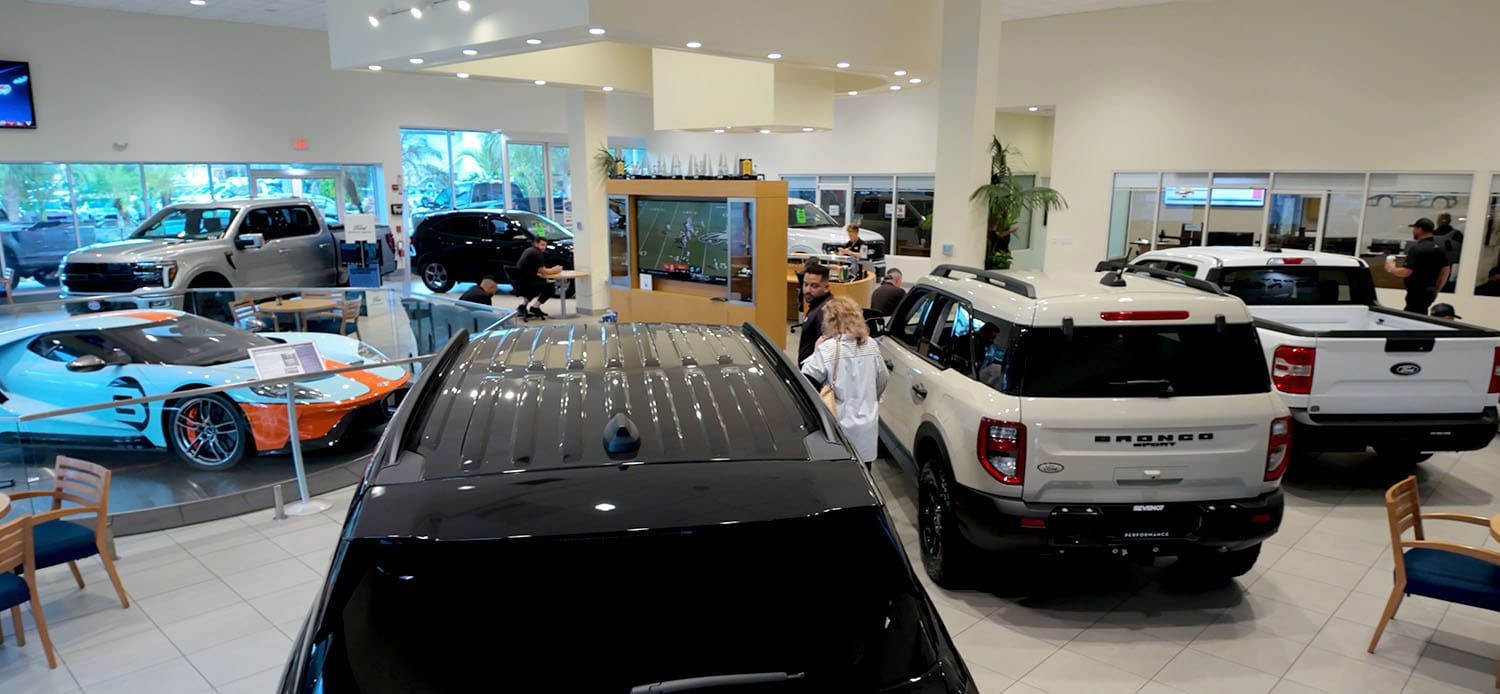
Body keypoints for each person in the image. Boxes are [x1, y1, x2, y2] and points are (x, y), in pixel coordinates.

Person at [800, 296, 889, 465]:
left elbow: (806, 382)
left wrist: (815, 350)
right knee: (864, 475)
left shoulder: (828, 349)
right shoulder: (871, 345)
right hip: (867, 427)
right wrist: (870, 399)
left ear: (830, 320)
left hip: (838, 427)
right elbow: (883, 378)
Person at [1386, 217, 1450, 314]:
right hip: (1430, 292)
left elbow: (1406, 272)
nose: (1413, 231)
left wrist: (1392, 268)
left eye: (1414, 228)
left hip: (1417, 292)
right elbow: (1445, 271)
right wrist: (1436, 289)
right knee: (1421, 314)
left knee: (1411, 318)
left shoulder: (1417, 249)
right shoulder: (1439, 249)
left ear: (1419, 229)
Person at [517, 236, 563, 318]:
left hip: (522, 281)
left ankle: (523, 306)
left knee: (540, 283)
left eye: (545, 245)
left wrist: (547, 271)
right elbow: (544, 272)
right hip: (527, 283)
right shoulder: (537, 253)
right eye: (542, 245)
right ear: (536, 244)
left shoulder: (529, 250)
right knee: (550, 288)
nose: (544, 247)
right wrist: (555, 270)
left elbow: (538, 270)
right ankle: (535, 307)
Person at [797, 264, 833, 365]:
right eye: (805, 284)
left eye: (814, 286)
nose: (808, 290)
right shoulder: (816, 306)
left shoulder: (825, 311)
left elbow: (825, 352)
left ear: (826, 287)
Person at [1435, 213, 1463, 291]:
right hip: (1451, 265)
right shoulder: (1457, 234)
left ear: (1438, 221)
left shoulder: (1432, 234)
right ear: (1450, 221)